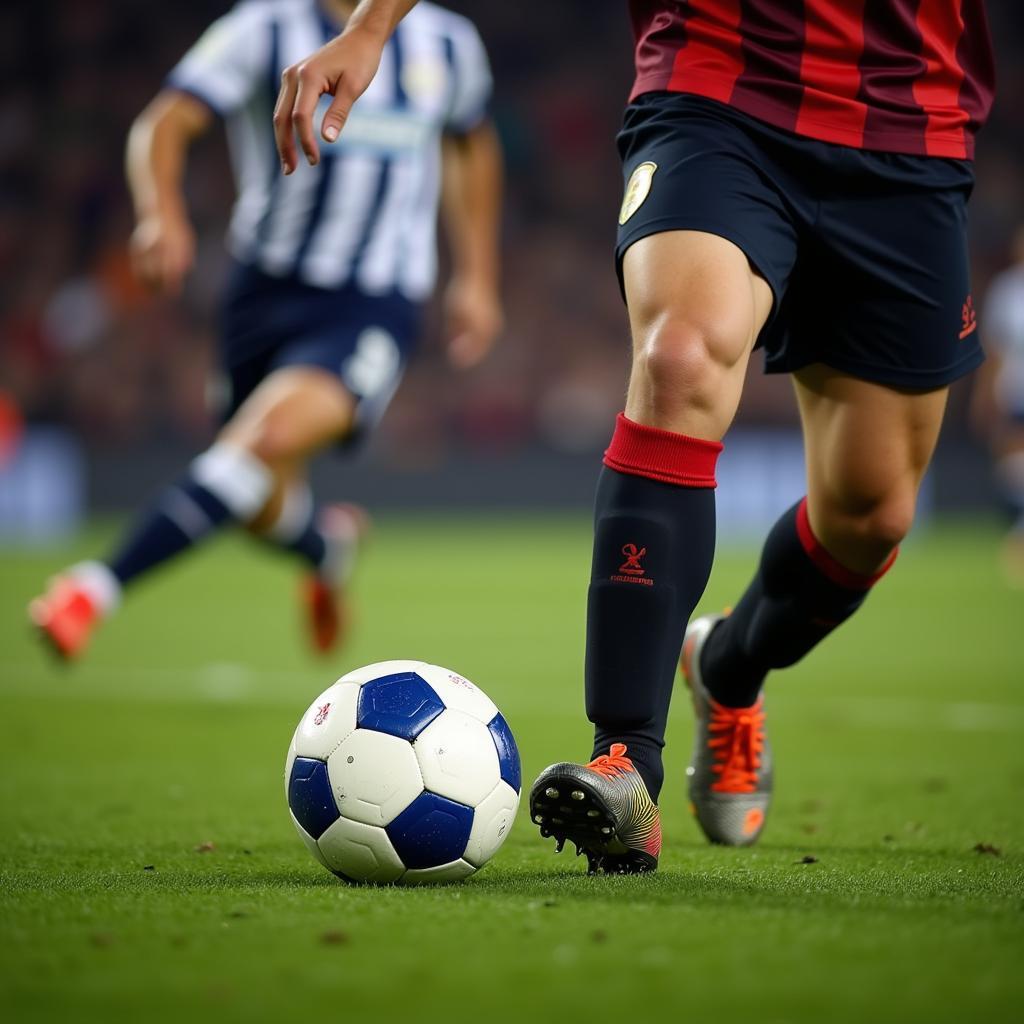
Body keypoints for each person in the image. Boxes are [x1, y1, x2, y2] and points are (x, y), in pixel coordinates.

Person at [273, 0, 994, 872]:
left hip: (911, 129)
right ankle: (629, 767)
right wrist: (372, 26)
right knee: (679, 358)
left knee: (872, 513)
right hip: (720, 87)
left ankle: (728, 667)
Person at [30, 0, 502, 660]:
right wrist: (159, 211)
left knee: (261, 442)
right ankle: (326, 547)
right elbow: (164, 122)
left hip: (373, 301)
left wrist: (476, 275)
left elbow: (470, 143)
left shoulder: (448, 43)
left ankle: (91, 589)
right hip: (262, 293)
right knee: (252, 492)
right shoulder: (263, 27)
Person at [972, 227, 1024, 586]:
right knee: (1012, 465)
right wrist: (984, 395)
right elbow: (993, 349)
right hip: (1014, 394)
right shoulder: (1007, 290)